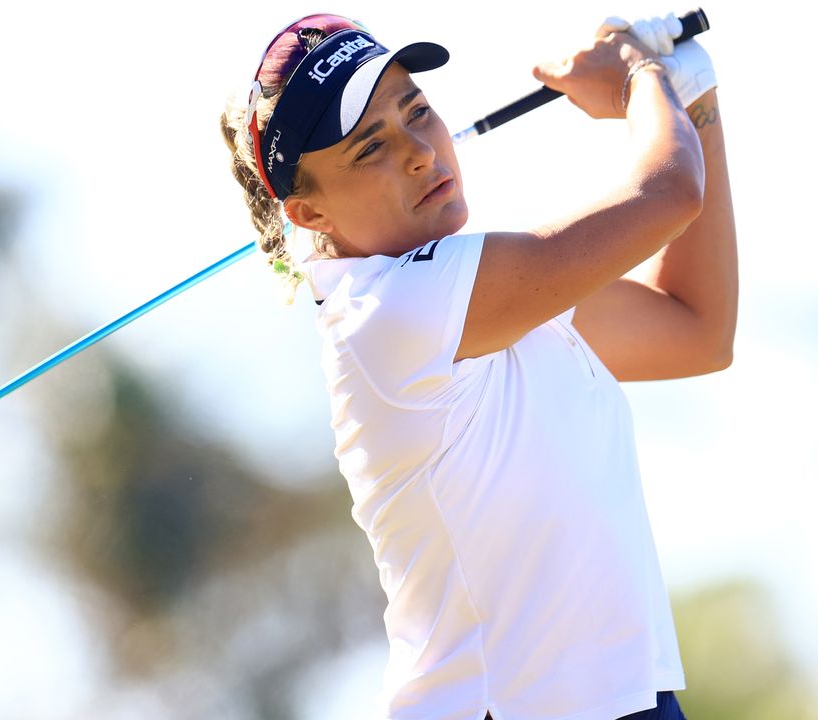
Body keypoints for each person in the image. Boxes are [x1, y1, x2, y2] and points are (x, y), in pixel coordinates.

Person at [219, 12, 736, 720]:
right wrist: (640, 79)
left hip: (625, 702)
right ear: (307, 212)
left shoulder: (487, 297)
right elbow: (669, 195)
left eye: (418, 112)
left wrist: (693, 99)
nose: (420, 153)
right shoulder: (391, 311)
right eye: (371, 147)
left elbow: (696, 330)